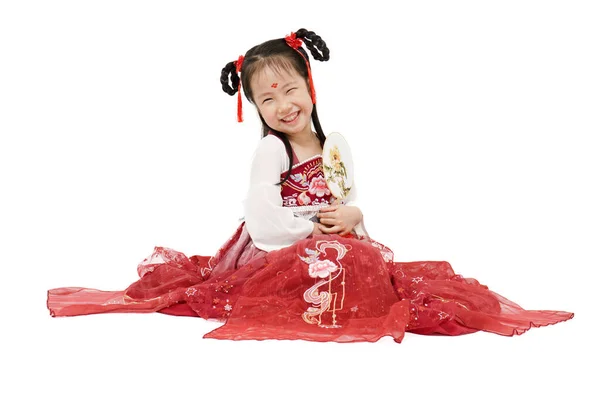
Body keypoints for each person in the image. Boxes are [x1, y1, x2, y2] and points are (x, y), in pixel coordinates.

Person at [47, 28, 573, 343]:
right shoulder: (272, 149)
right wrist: (316, 232)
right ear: (253, 106)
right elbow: (264, 220)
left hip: (322, 239)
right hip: (276, 249)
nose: (283, 105)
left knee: (369, 263)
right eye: (268, 99)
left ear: (310, 87)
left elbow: (338, 204)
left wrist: (355, 218)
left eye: (291, 89)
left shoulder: (330, 147)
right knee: (345, 266)